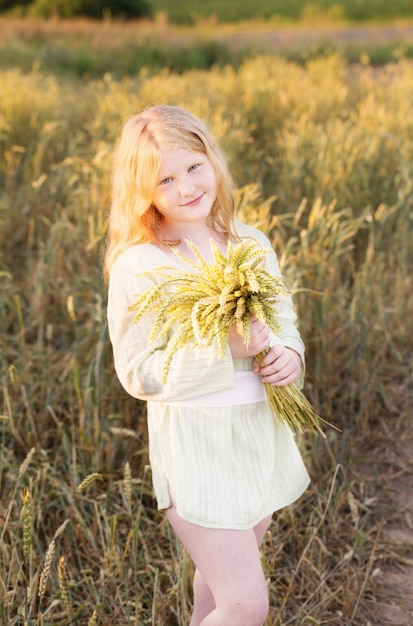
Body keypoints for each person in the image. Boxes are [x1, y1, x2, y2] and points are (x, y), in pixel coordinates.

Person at [105, 104, 310, 626]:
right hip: (196, 449)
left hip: (258, 435)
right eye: (164, 179)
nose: (186, 186)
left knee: (217, 587)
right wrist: (224, 351)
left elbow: (283, 319)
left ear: (211, 158)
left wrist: (288, 355)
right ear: (142, 192)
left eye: (194, 166)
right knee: (246, 604)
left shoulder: (251, 243)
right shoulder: (140, 264)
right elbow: (137, 372)